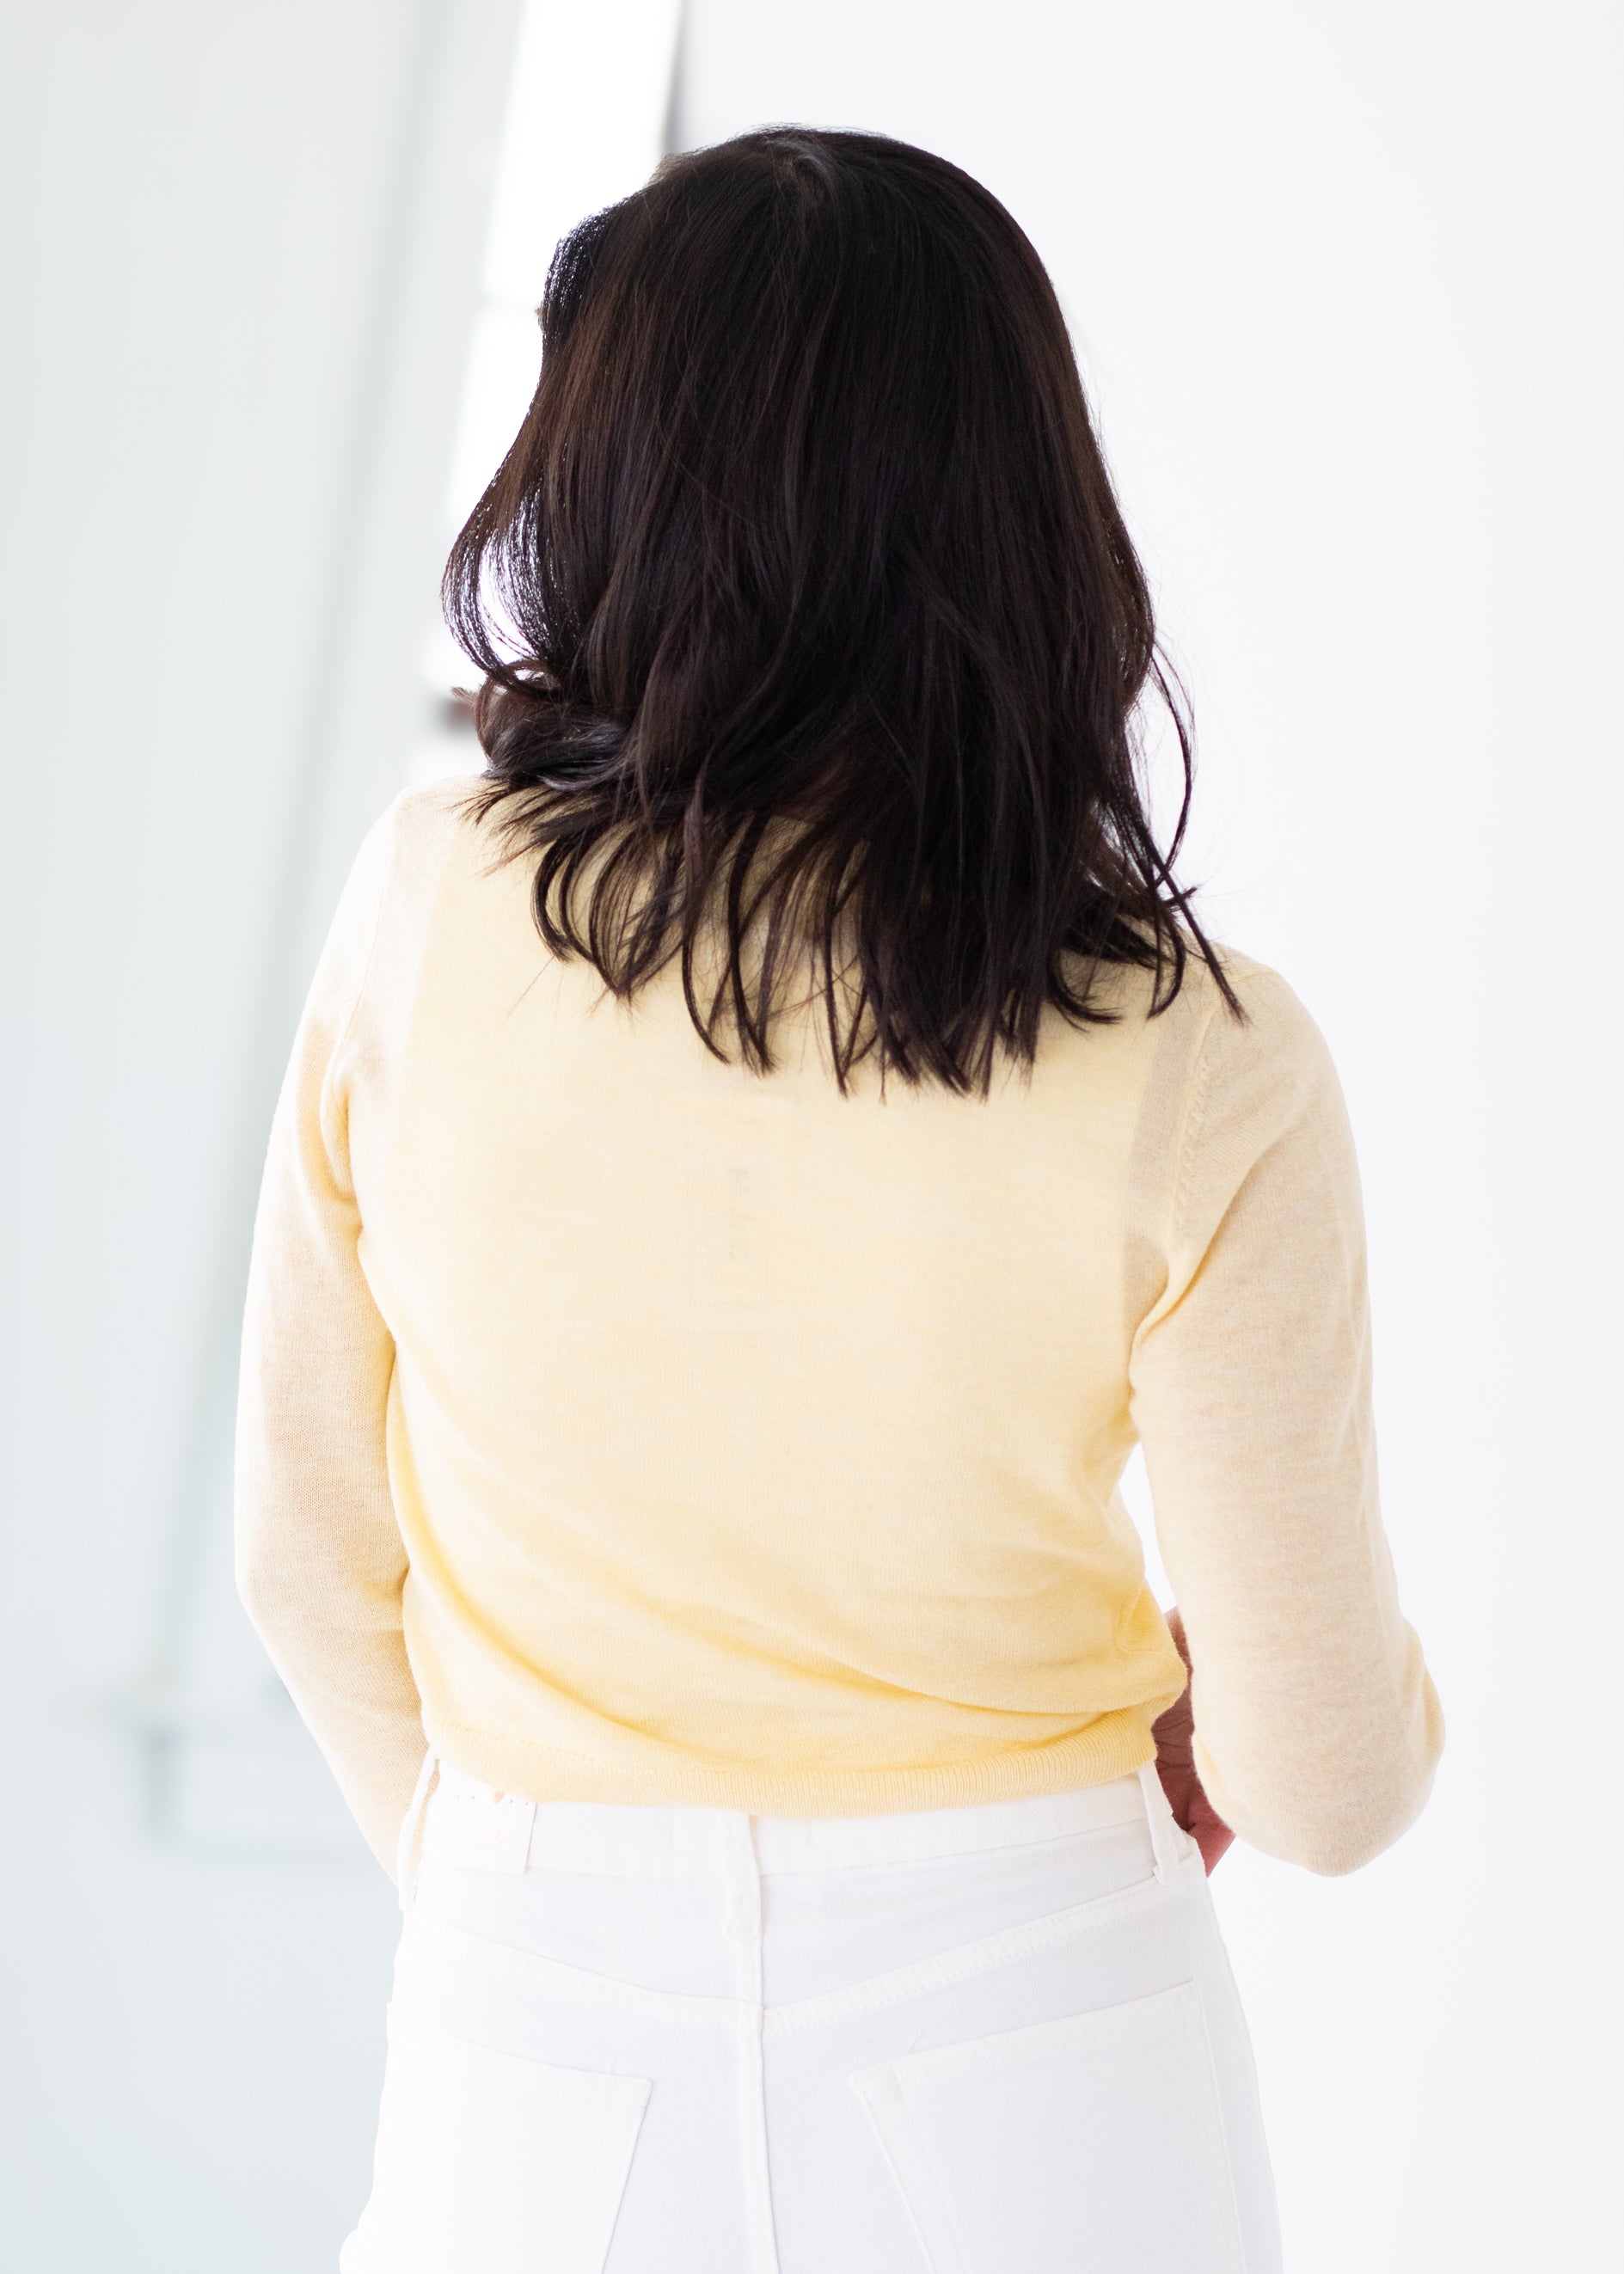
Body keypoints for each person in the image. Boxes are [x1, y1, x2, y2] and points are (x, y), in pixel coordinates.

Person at [236, 127, 1442, 2274]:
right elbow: (1326, 1781)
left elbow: (309, 1558)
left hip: (538, 2014)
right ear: (1030, 516)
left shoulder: (431, 911)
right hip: (1043, 2008)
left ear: (598, 489)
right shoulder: (1201, 1050)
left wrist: (530, 1893)